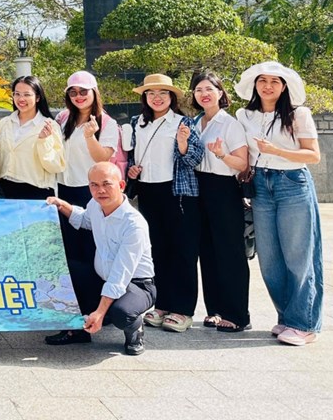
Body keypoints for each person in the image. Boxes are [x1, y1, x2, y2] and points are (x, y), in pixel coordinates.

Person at [234, 61, 323, 346]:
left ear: (284, 87)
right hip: (261, 185)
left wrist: (277, 151)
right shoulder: (244, 115)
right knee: (270, 258)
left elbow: (313, 155)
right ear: (255, 85)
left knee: (298, 255)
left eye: (275, 81)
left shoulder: (299, 114)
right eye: (262, 81)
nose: (268, 86)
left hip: (292, 182)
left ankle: (304, 324)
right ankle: (286, 317)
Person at [46, 162, 156, 356]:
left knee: (122, 314)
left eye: (106, 184)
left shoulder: (134, 224)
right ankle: (78, 331)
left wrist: (100, 312)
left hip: (136, 285)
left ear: (121, 185)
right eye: (94, 185)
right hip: (102, 278)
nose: (100, 190)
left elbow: (120, 275)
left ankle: (135, 328)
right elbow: (84, 219)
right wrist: (61, 204)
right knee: (66, 271)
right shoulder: (95, 205)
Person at [45, 71, 120, 345]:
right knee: (70, 258)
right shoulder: (63, 119)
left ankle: (92, 317)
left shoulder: (106, 123)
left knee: (92, 257)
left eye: (83, 91)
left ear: (94, 93)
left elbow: (104, 159)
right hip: (64, 191)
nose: (78, 96)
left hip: (91, 193)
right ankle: (76, 317)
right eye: (73, 92)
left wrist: (90, 136)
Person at [124, 74, 203, 334]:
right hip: (148, 191)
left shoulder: (183, 122)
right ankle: (162, 304)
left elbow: (195, 158)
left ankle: (182, 309)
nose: (156, 98)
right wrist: (132, 170)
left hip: (177, 193)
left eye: (162, 93)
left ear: (172, 97)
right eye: (151, 93)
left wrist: (182, 144)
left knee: (182, 251)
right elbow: (131, 156)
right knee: (157, 250)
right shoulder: (137, 123)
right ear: (144, 97)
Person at [190, 71, 251, 333]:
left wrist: (222, 155)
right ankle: (215, 310)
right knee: (208, 252)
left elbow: (242, 164)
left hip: (223, 189)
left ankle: (237, 314)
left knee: (229, 252)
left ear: (220, 93)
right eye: (198, 90)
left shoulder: (229, 124)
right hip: (199, 188)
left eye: (209, 89)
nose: (204, 94)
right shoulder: (195, 122)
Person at [0, 76, 65, 200]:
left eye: (27, 94)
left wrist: (43, 142)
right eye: (17, 94)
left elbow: (56, 166)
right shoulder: (5, 123)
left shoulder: (49, 126)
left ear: (37, 97)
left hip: (37, 193)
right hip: (4, 190)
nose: (21, 99)